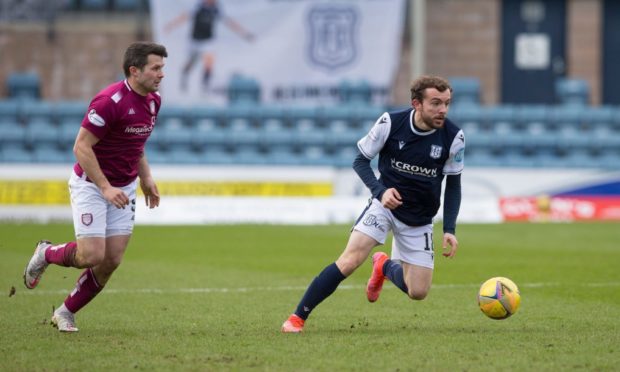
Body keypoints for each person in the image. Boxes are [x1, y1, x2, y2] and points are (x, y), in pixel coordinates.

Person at [282, 75, 465, 333]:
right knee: (349, 260)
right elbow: (360, 161)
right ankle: (297, 318)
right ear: (417, 104)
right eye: (435, 103)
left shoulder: (454, 137)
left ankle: (384, 266)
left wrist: (449, 229)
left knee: (418, 292)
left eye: (447, 103)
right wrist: (380, 192)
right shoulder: (390, 123)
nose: (443, 110)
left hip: (420, 218)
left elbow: (454, 184)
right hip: (384, 207)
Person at [23, 42, 168, 332]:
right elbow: (81, 147)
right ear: (134, 70)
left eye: (162, 68)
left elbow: (135, 144)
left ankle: (65, 312)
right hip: (92, 184)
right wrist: (103, 187)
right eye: (156, 68)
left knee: (111, 260)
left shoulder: (153, 101)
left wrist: (146, 178)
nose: (161, 74)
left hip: (123, 187)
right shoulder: (108, 102)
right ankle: (46, 253)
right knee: (91, 256)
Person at [164, 0, 254, 91]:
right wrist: (171, 25)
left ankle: (205, 85)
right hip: (195, 40)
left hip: (208, 40)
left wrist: (244, 33)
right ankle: (185, 75)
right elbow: (184, 17)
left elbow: (230, 23)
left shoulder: (216, 9)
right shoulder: (197, 7)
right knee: (191, 63)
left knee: (209, 62)